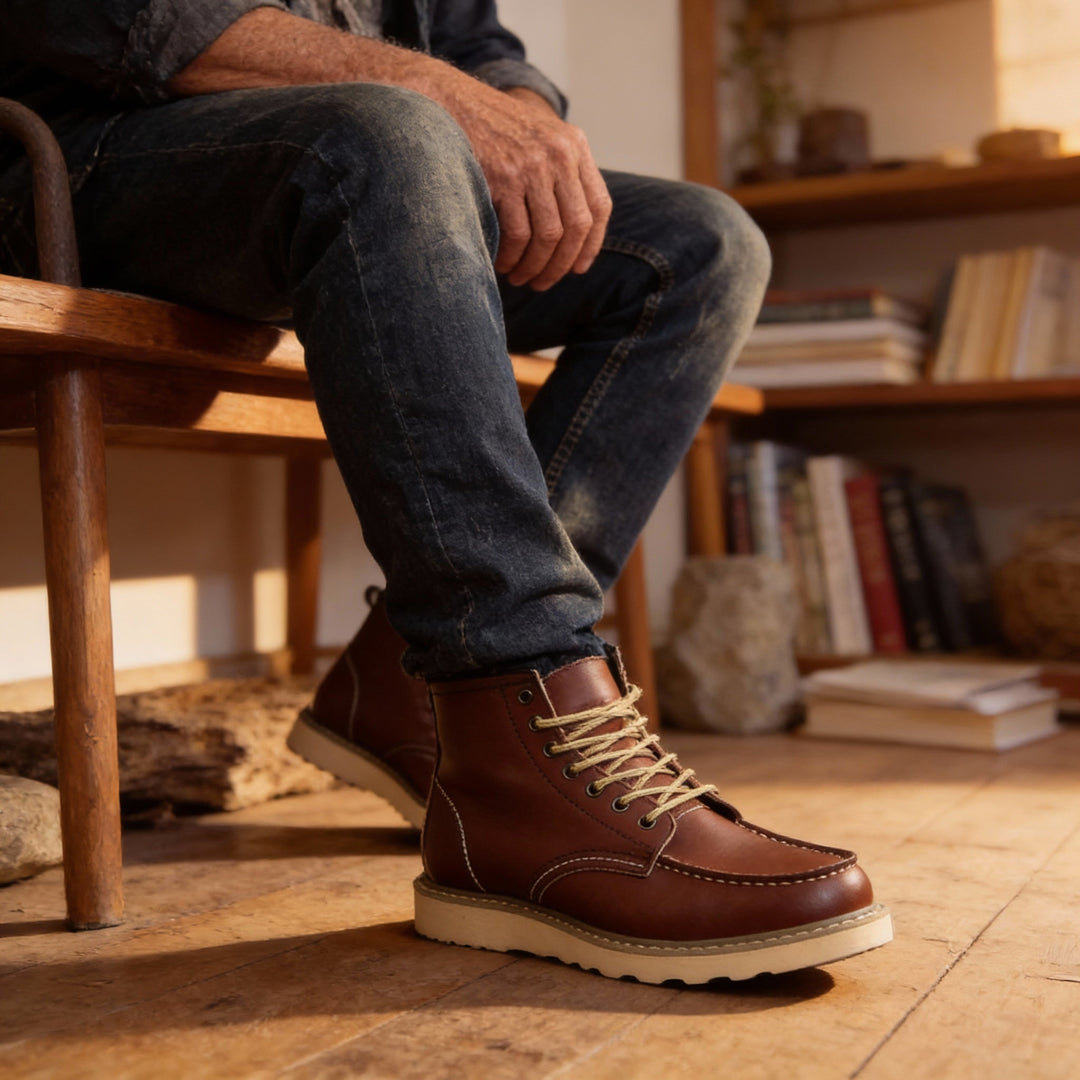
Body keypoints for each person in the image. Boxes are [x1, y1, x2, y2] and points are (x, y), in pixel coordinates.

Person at [0, 1, 891, 983]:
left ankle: (418, 692)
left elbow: (478, 44)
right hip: (71, 159)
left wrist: (516, 114)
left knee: (701, 244)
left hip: (357, 160)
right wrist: (433, 93)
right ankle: (519, 726)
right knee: (387, 136)